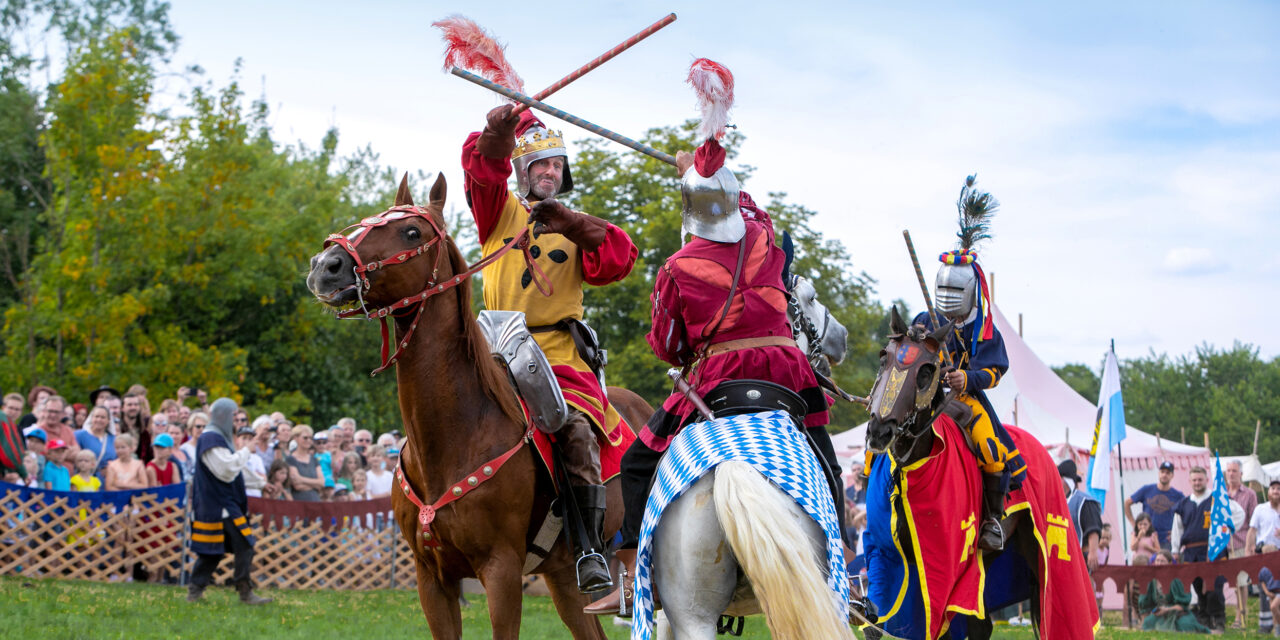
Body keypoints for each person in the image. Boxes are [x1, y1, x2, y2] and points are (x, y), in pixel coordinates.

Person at [591, 61, 840, 615]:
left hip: (719, 377)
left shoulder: (679, 266)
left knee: (636, 464)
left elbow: (668, 347)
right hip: (786, 376)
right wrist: (702, 168)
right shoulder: (766, 241)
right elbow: (746, 207)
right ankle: (842, 560)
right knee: (824, 461)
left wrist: (693, 175)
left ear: (690, 214)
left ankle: (633, 577)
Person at [463, 91, 639, 594]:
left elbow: (619, 261)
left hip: (557, 355)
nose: (550, 170)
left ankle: (587, 550)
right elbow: (481, 172)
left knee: (576, 431)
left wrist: (577, 225)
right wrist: (498, 134)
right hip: (496, 345)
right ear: (522, 169)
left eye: (558, 164)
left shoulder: (577, 227)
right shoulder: (497, 213)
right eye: (541, 163)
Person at [912, 175, 1027, 553]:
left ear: (970, 291)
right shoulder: (926, 320)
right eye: (942, 289)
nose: (946, 297)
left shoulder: (984, 326)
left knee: (990, 447)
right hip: (925, 398)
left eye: (954, 291)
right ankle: (872, 481)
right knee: (885, 426)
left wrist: (968, 377)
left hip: (965, 401)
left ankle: (993, 518)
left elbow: (996, 369)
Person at [187, 397, 271, 604]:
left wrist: (260, 484)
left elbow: (237, 469)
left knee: (214, 551)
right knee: (242, 544)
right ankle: (243, 593)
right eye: (234, 417)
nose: (237, 422)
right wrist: (247, 449)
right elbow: (226, 470)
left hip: (223, 504)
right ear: (223, 416)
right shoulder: (210, 438)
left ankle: (196, 592)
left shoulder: (220, 439)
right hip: (218, 504)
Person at [1170, 466, 1245, 631]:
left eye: (1200, 479)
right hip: (1191, 552)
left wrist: (1226, 531)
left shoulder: (1217, 499)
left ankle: (1219, 620)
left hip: (1214, 551)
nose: (1197, 483)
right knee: (1197, 587)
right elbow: (1177, 528)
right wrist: (1175, 550)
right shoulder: (1183, 504)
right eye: (1194, 480)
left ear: (1206, 480)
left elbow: (1239, 514)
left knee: (1214, 587)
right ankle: (1203, 620)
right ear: (1190, 481)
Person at [1223, 459, 1260, 629]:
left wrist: (1251, 545)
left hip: (1241, 542)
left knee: (1241, 582)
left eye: (1234, 471)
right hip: (1223, 544)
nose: (1231, 474)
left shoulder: (1249, 494)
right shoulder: (1221, 493)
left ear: (1241, 474)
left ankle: (1241, 616)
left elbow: (1254, 521)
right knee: (1231, 582)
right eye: (1228, 470)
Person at [1138, 551, 1213, 633]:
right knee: (1148, 623)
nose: (1159, 563)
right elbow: (1145, 603)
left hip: (1178, 613)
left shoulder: (1176, 580)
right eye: (1157, 560)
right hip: (1160, 614)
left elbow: (1182, 605)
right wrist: (1151, 614)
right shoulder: (1152, 580)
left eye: (1162, 561)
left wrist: (1166, 609)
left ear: (1169, 563)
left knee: (1183, 625)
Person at [1126, 460, 1185, 549]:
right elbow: (1127, 503)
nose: (1164, 475)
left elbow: (1187, 513)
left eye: (1168, 473)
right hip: (1147, 538)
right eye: (1162, 472)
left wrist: (1177, 531)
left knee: (1165, 562)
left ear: (1172, 475)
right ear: (1158, 473)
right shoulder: (1147, 490)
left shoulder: (1178, 495)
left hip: (1167, 540)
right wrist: (1134, 524)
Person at [1059, 460, 1102, 572]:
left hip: (1080, 558)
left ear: (1066, 481)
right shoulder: (1056, 502)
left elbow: (1093, 528)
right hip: (1061, 560)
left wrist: (1092, 552)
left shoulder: (1084, 501)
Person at [74, 406, 116, 477]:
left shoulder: (113, 439)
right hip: (85, 479)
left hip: (107, 480)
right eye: (96, 416)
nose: (99, 420)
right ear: (91, 418)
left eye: (103, 417)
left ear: (108, 420)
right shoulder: (79, 435)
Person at [286, 424, 324, 502]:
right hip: (299, 502)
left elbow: (322, 483)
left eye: (310, 438)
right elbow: (297, 485)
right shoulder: (290, 459)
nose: (308, 440)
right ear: (295, 438)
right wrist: (315, 485)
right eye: (305, 438)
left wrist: (301, 479)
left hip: (315, 501)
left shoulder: (314, 459)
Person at [119, 392, 153, 463]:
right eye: (129, 405)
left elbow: (150, 457)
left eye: (136, 404)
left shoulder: (144, 433)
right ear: (122, 408)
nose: (133, 407)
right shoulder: (117, 430)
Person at [236, 427, 267, 498]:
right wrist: (255, 474)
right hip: (240, 496)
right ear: (237, 440)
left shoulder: (257, 459)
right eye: (244, 438)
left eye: (250, 439)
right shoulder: (234, 455)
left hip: (255, 496)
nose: (247, 441)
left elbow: (264, 479)